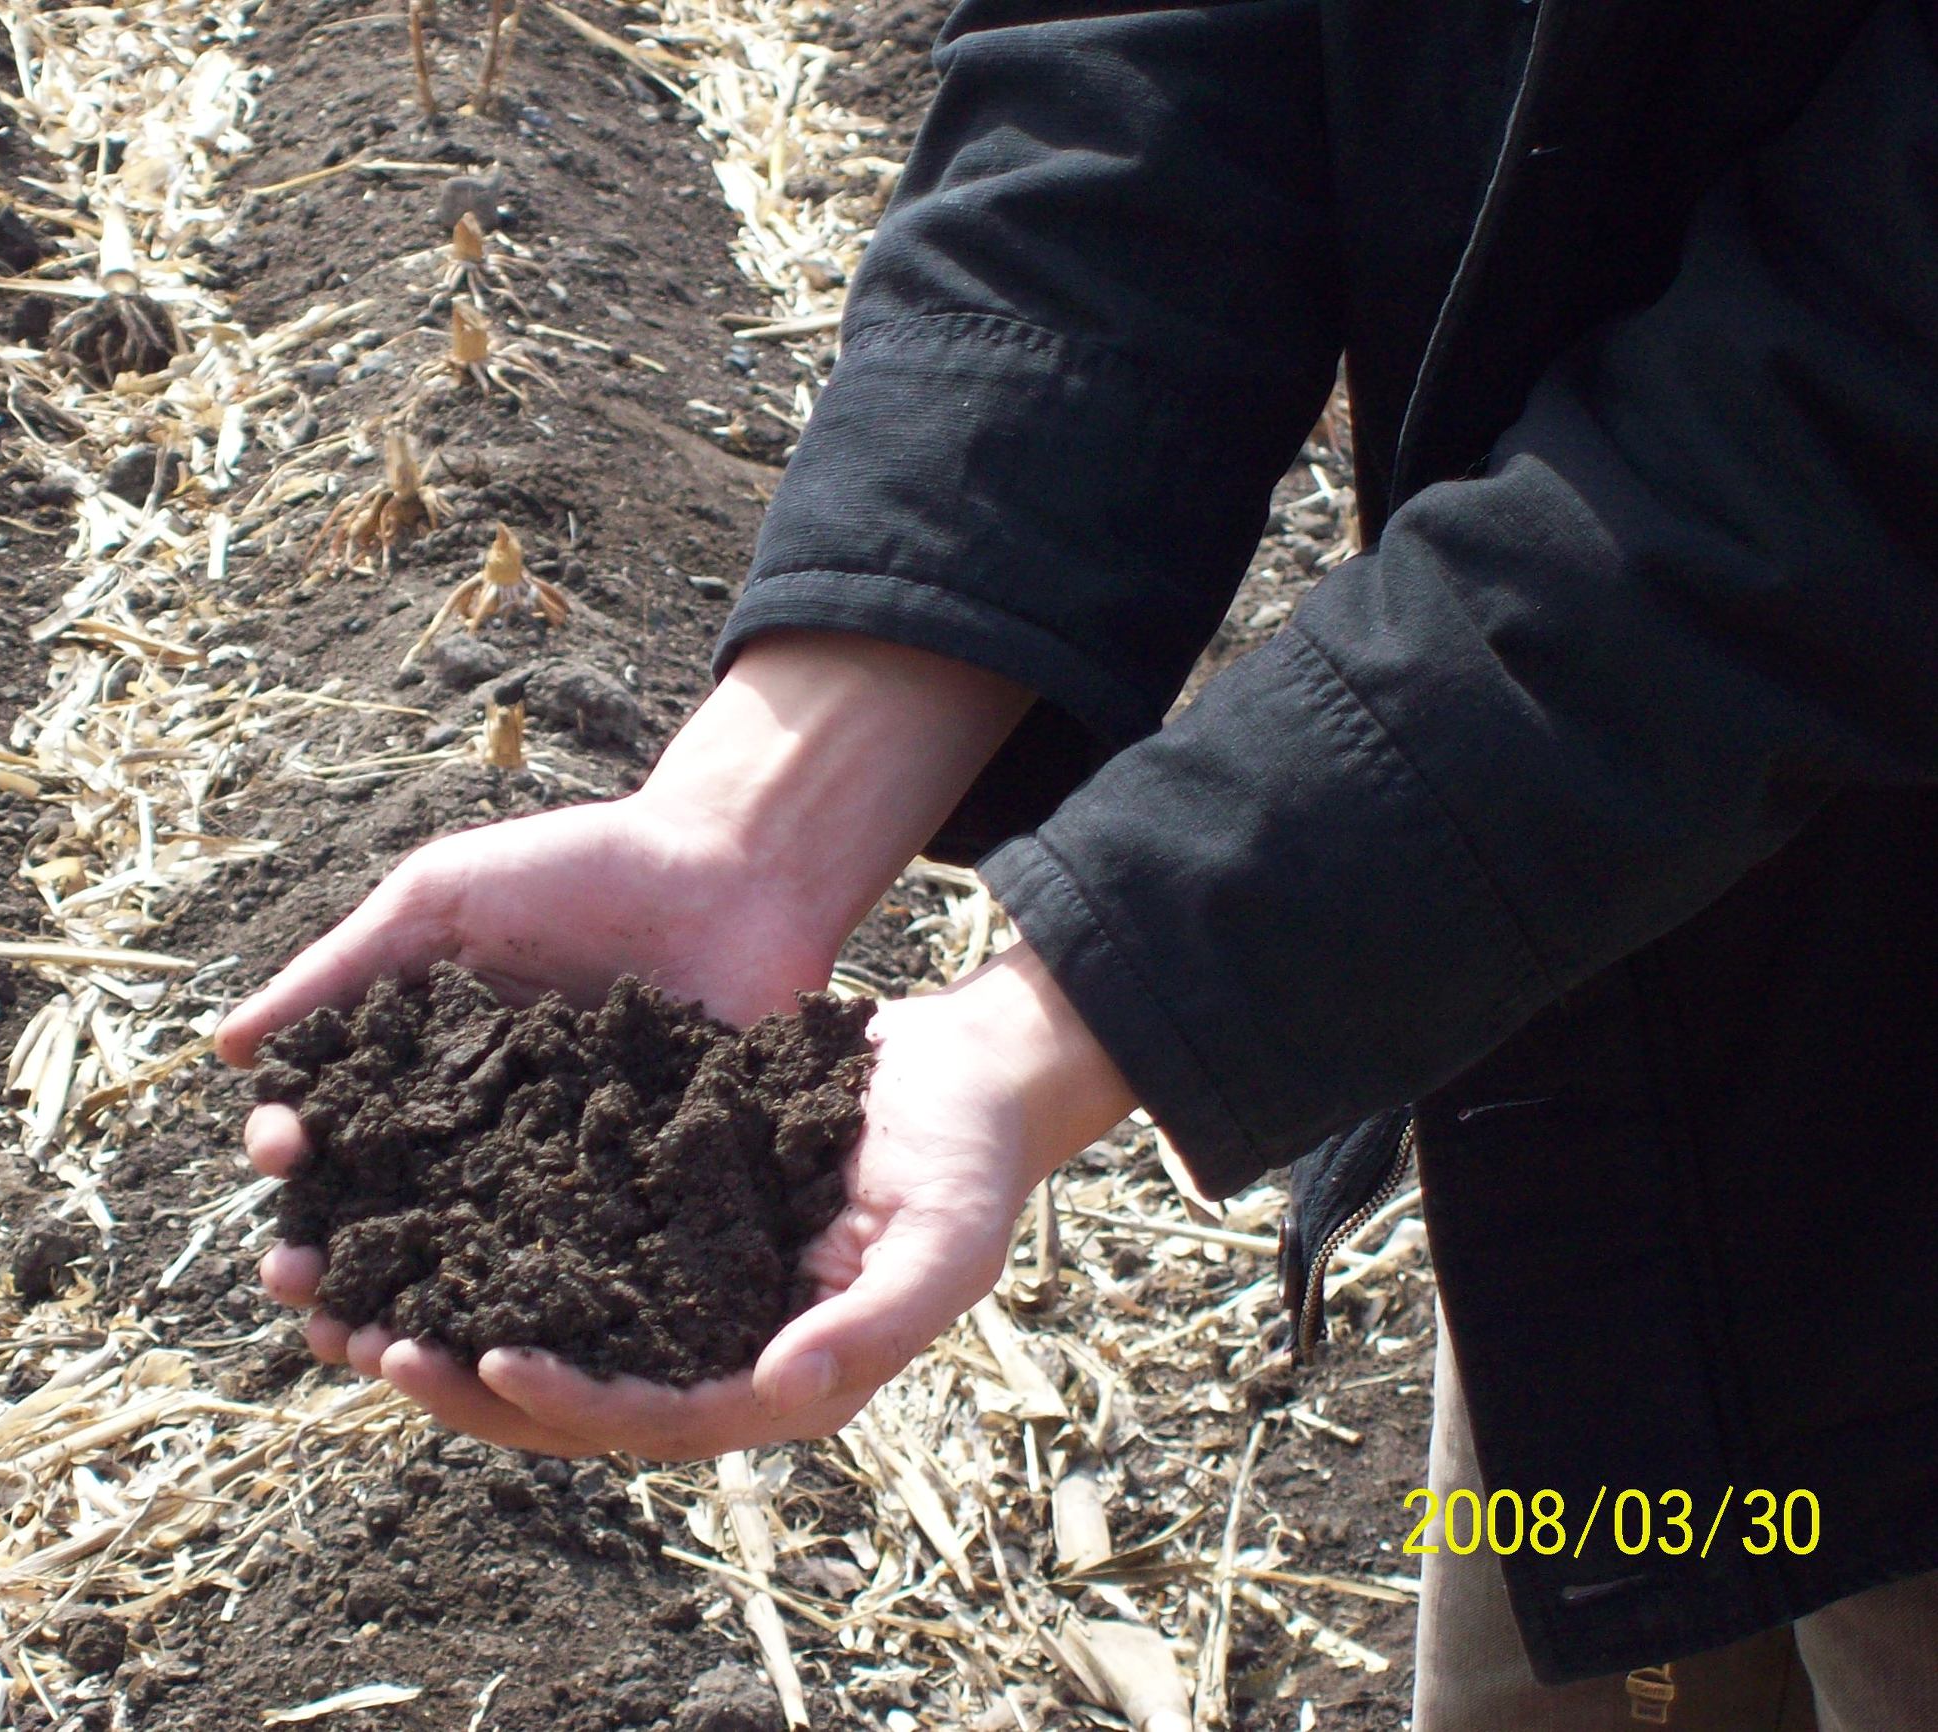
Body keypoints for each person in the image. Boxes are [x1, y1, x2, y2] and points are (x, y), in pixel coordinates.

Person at [218, 0, 1938, 1722]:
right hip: (1625, 1076)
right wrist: (755, 822)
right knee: (1621, 1616)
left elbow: (1855, 422)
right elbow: (1153, 75)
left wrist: (1070, 1005)